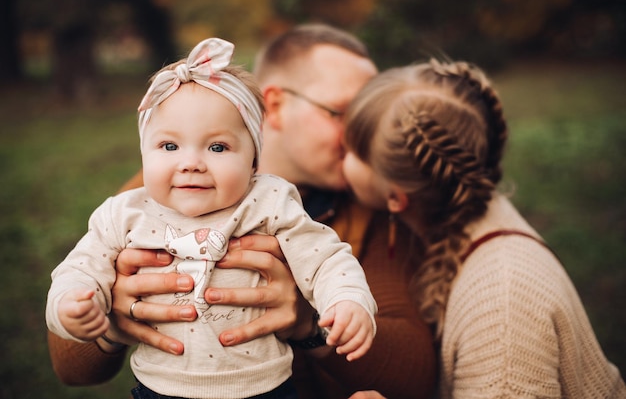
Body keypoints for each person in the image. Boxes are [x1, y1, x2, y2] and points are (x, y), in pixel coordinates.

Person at [47, 24, 438, 399]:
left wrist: (309, 321)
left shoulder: (371, 205)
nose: (362, 138)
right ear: (277, 107)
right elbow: (70, 365)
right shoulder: (147, 200)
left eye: (370, 121)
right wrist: (105, 319)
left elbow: (414, 374)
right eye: (342, 114)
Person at [340, 58, 626, 398]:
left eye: (354, 151)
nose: (339, 150)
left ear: (396, 199)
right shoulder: (473, 206)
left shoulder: (501, 309)